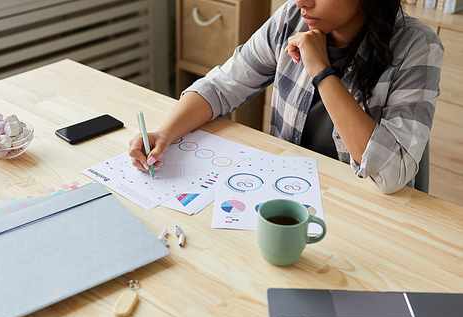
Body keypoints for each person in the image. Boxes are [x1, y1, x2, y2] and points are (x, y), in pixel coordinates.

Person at [129, 0, 444, 194]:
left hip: (364, 209)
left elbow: (390, 173)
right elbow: (223, 85)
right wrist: (165, 133)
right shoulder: (290, 20)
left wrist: (322, 71)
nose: (301, 2)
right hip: (287, 191)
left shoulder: (417, 47)